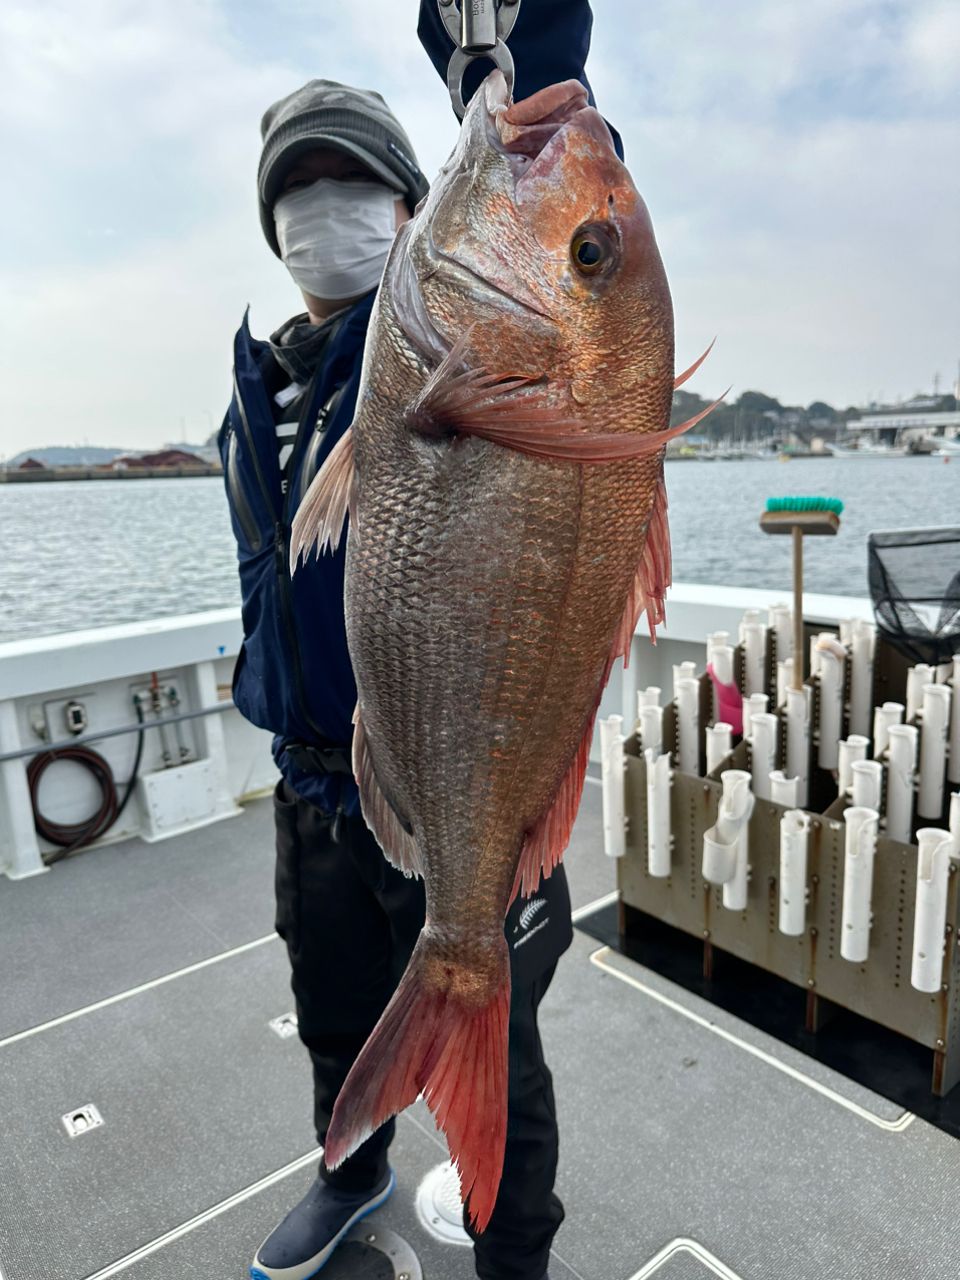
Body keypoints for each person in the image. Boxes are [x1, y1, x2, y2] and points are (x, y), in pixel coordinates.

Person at [219, 6, 612, 1278]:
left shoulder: (427, 347)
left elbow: (564, 238)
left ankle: (517, 1248)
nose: (325, 210)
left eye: (353, 183)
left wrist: (529, 62)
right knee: (334, 1013)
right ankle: (354, 1168)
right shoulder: (254, 393)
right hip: (314, 783)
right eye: (300, 191)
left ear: (408, 208)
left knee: (501, 1036)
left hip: (462, 767)